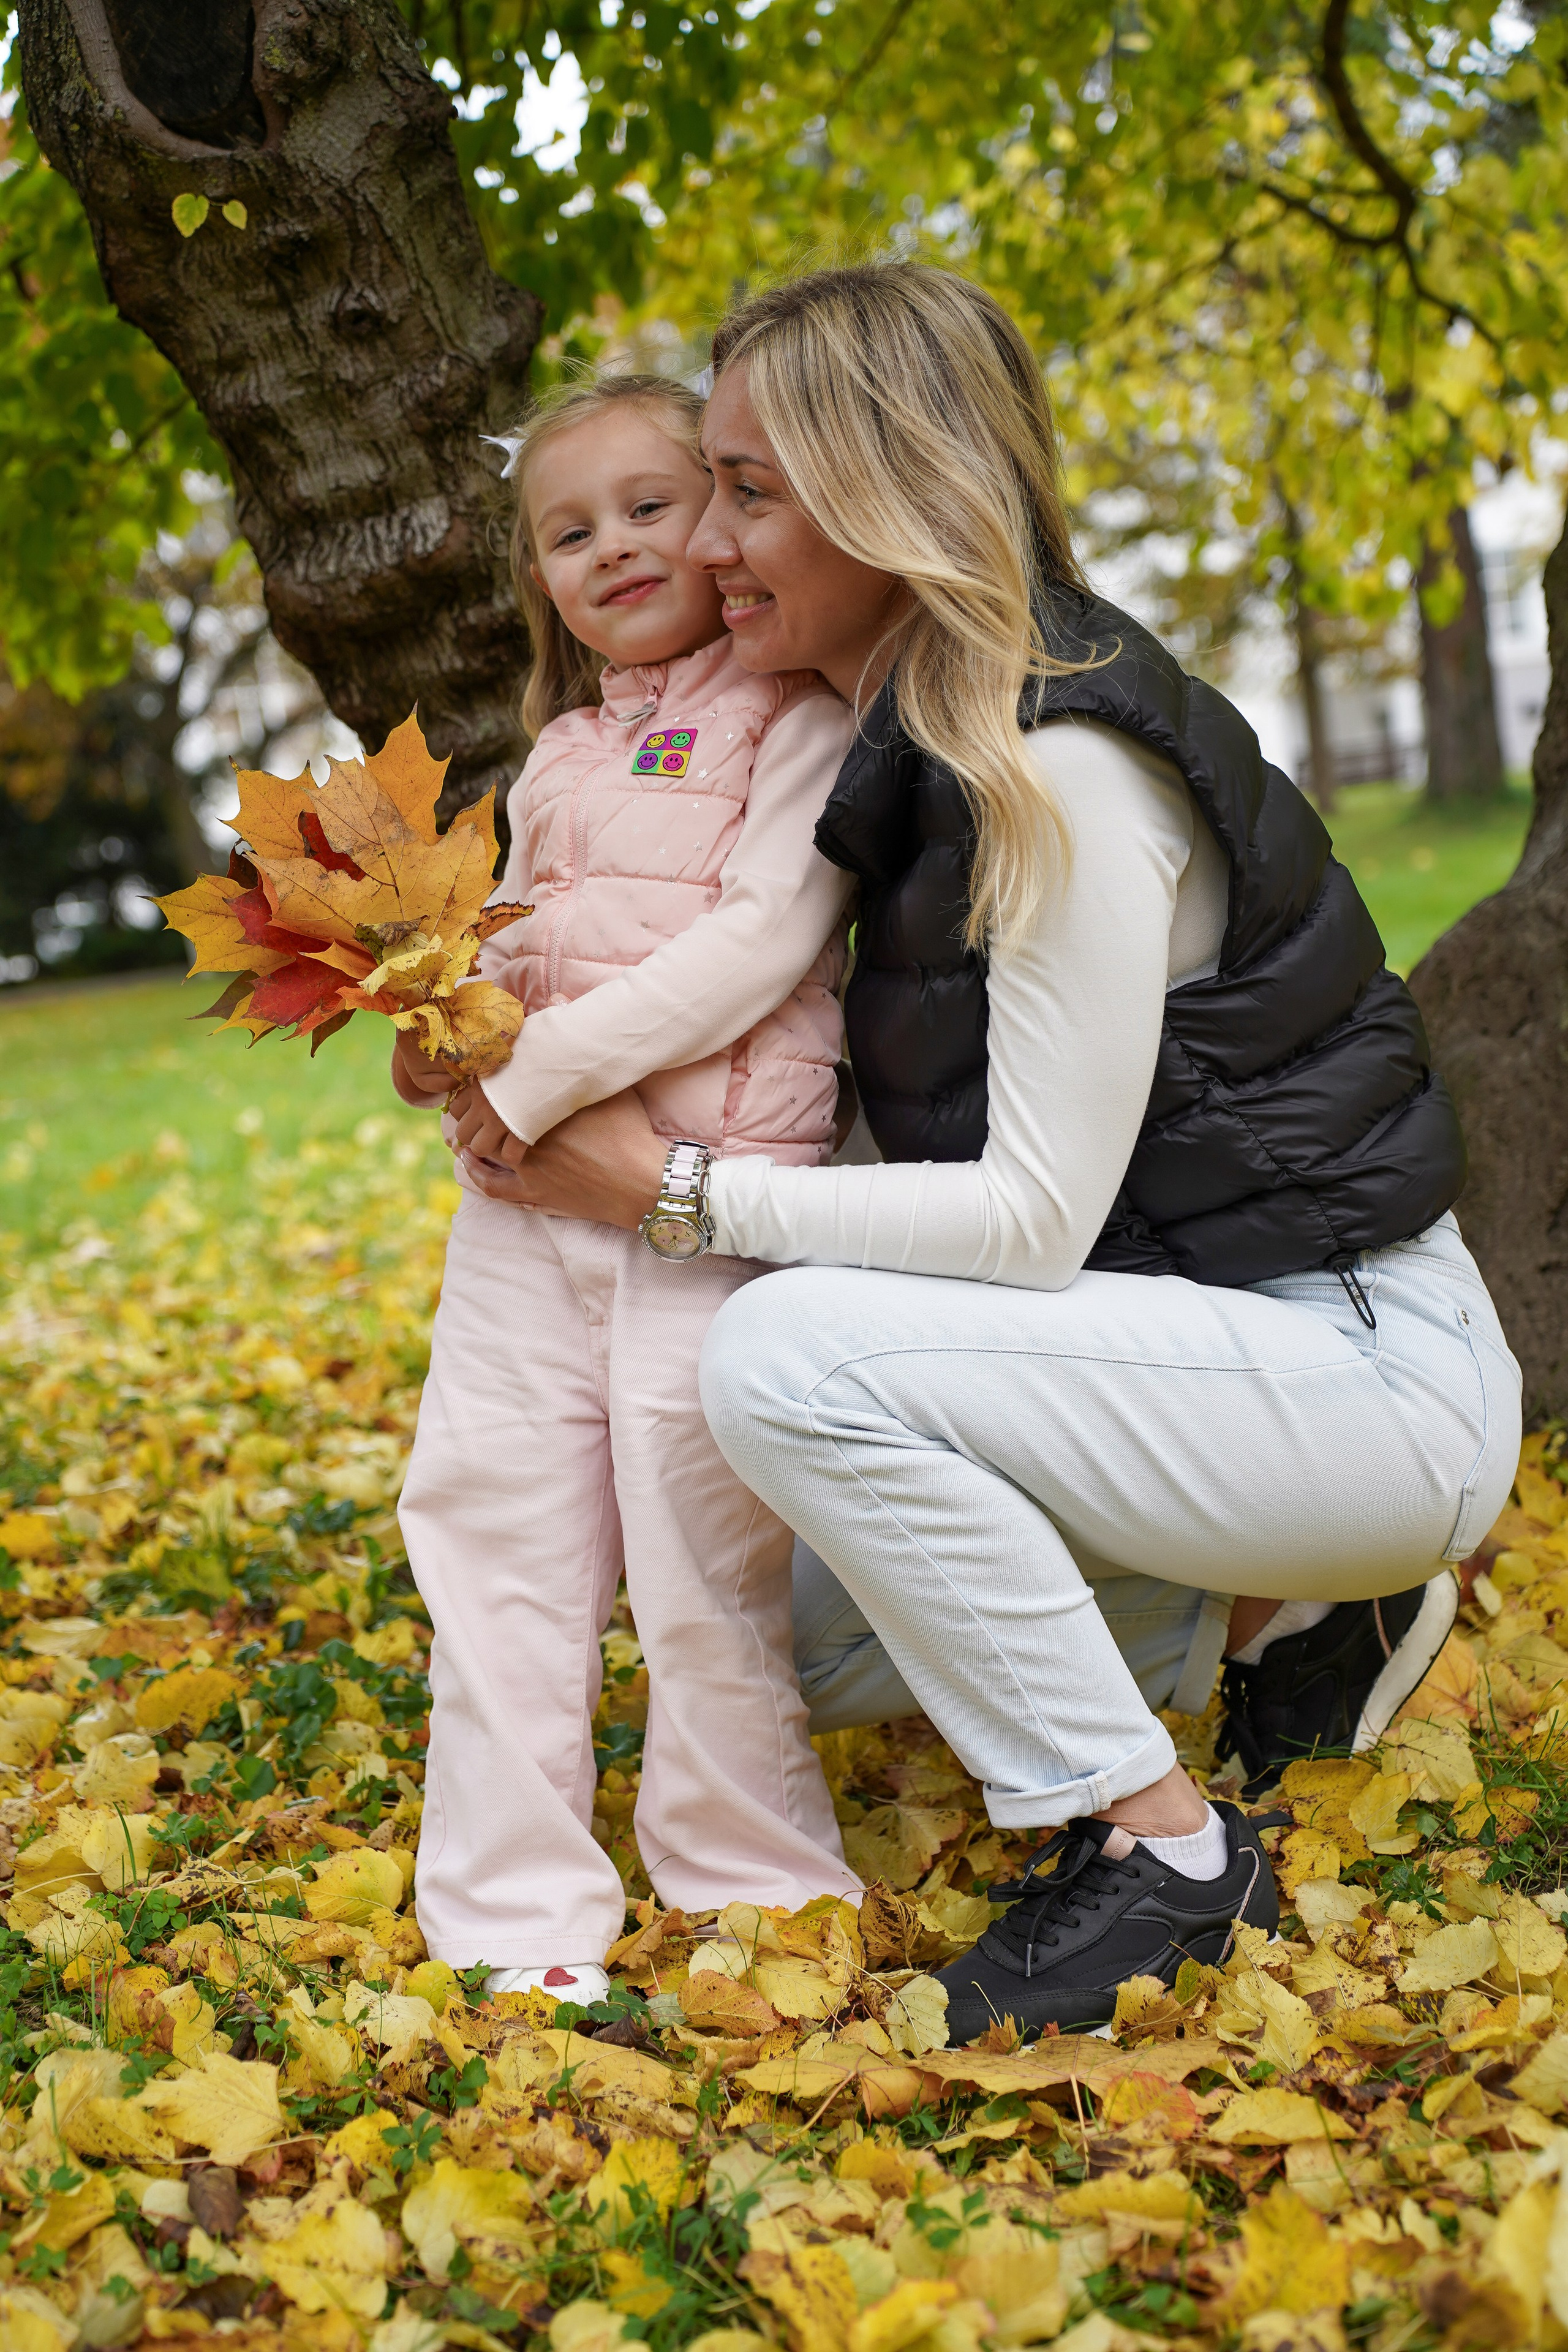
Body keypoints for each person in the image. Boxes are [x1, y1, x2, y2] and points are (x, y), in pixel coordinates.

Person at [450, 264, 1521, 2041]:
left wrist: (672, 1193)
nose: (707, 541)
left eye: (750, 490)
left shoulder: (1067, 768)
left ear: (889, 490)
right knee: (753, 1600)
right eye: (710, 484)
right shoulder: (904, 753)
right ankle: (1268, 1611)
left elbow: (1026, 1222)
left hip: (1352, 1362)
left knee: (781, 1357)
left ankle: (1163, 1851)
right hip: (1175, 1342)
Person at [390, 372, 864, 2002]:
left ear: (726, 517)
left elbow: (765, 943)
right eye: (569, 531)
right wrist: (452, 1041)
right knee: (494, 1531)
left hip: (693, 1199)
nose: (613, 548)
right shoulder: (558, 752)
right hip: (522, 1220)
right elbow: (508, 951)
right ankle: (512, 1920)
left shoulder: (799, 716)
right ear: (538, 576)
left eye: (650, 506)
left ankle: (757, 1896)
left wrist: (535, 1077)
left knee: (698, 1557)